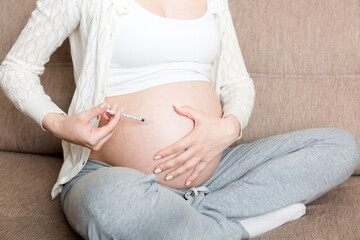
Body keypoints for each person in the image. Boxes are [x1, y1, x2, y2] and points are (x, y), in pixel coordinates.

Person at [0, 0, 358, 239]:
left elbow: (237, 83)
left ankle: (188, 219)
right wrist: (59, 123)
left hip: (215, 169)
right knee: (108, 208)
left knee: (338, 147)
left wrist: (227, 128)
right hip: (111, 174)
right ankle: (240, 227)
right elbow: (16, 69)